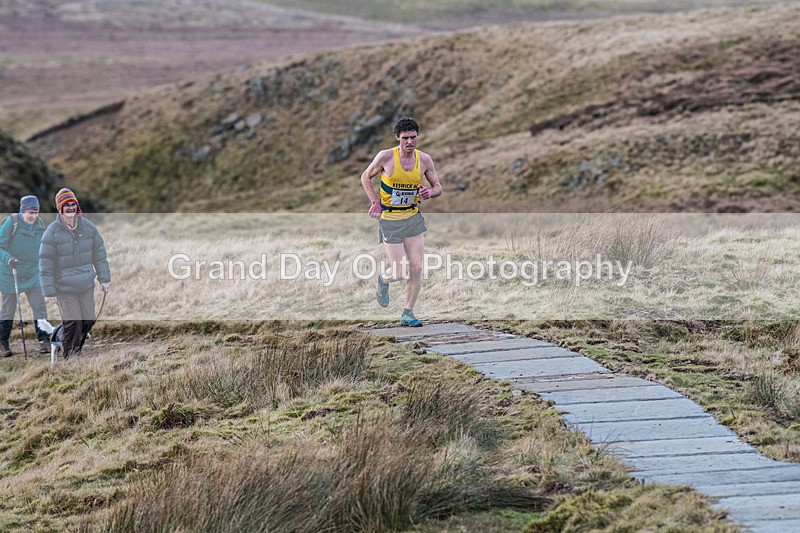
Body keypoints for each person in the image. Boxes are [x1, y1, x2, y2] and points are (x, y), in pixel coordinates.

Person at [360, 117, 442, 327]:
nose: (410, 142)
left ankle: (408, 313)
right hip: (390, 219)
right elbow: (365, 177)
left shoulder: (424, 160)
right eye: (405, 138)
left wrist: (430, 192)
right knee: (400, 272)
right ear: (397, 138)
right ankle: (383, 279)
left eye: (413, 137)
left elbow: (438, 186)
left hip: (413, 218)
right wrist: (374, 202)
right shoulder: (386, 157)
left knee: (416, 268)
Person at [39, 188, 110, 359]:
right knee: (73, 322)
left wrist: (104, 279)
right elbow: (45, 263)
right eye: (66, 205)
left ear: (77, 207)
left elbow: (99, 255)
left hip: (86, 283)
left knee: (88, 320)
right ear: (60, 208)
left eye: (73, 204)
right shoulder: (52, 232)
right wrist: (49, 291)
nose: (70, 208)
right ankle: (71, 356)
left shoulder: (89, 228)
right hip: (64, 286)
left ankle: (74, 347)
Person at [0, 196, 51, 356]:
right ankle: (2, 342)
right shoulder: (11, 223)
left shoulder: (39, 224)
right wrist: (8, 259)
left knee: (39, 306)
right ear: (22, 211)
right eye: (30, 212)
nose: (33, 216)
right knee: (8, 309)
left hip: (32, 273)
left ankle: (44, 340)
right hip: (10, 273)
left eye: (36, 212)